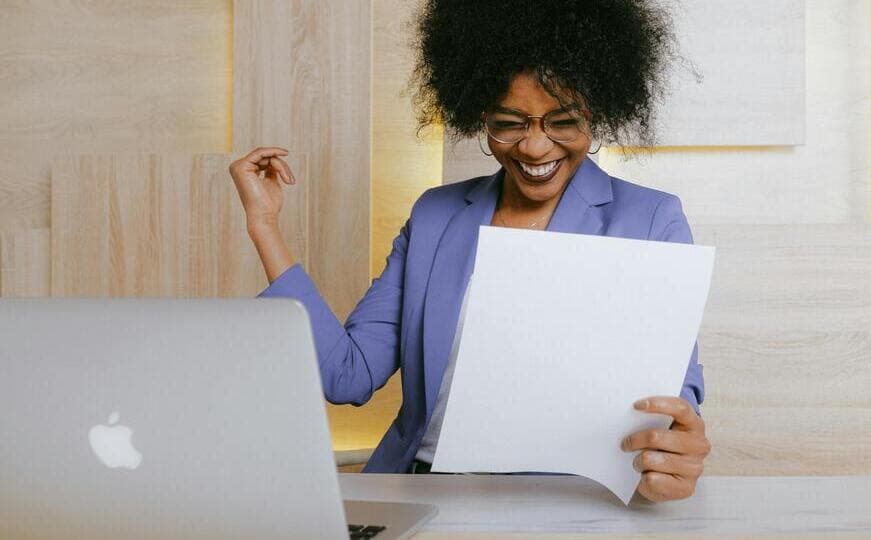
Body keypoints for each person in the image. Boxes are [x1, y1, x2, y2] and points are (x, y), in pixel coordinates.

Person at [228, 0, 710, 503]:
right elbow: (347, 376)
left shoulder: (650, 220)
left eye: (562, 121)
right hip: (419, 495)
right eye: (510, 122)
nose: (534, 146)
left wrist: (678, 444)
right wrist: (265, 227)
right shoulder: (436, 216)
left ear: (596, 113)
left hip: (566, 503)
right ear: (481, 115)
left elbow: (677, 392)